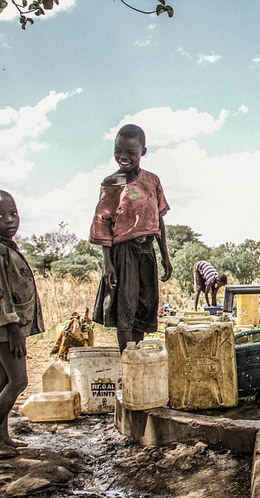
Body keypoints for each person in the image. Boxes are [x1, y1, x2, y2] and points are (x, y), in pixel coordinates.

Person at [0, 190, 44, 457]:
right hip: (4, 329)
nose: (9, 220)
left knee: (3, 378)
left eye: (13, 213)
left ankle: (1, 435)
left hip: (1, 328)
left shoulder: (4, 247)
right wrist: (13, 330)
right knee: (18, 380)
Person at [90, 124, 172, 353]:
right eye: (118, 151)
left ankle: (138, 359)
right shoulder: (111, 183)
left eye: (131, 153)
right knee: (126, 307)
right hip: (123, 251)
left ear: (143, 152)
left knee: (144, 307)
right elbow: (102, 223)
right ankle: (128, 362)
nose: (123, 157)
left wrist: (165, 256)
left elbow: (159, 219)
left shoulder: (152, 181)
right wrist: (107, 263)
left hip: (147, 251)